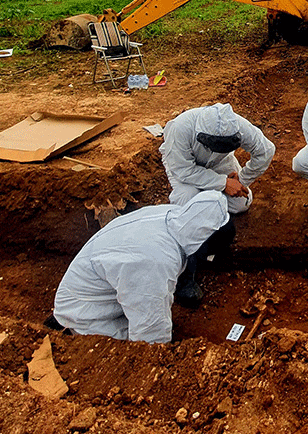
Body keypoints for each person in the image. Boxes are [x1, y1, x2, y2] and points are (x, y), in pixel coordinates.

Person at [50, 191, 230, 344]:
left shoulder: (176, 215)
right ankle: (70, 332)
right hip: (84, 314)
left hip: (101, 284)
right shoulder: (154, 262)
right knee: (129, 342)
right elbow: (150, 334)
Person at [160, 103, 275, 215]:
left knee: (240, 204)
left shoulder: (237, 125)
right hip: (183, 165)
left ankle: (209, 196)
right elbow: (183, 170)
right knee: (187, 202)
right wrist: (223, 183)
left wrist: (242, 179)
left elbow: (266, 150)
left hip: (219, 161)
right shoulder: (179, 128)